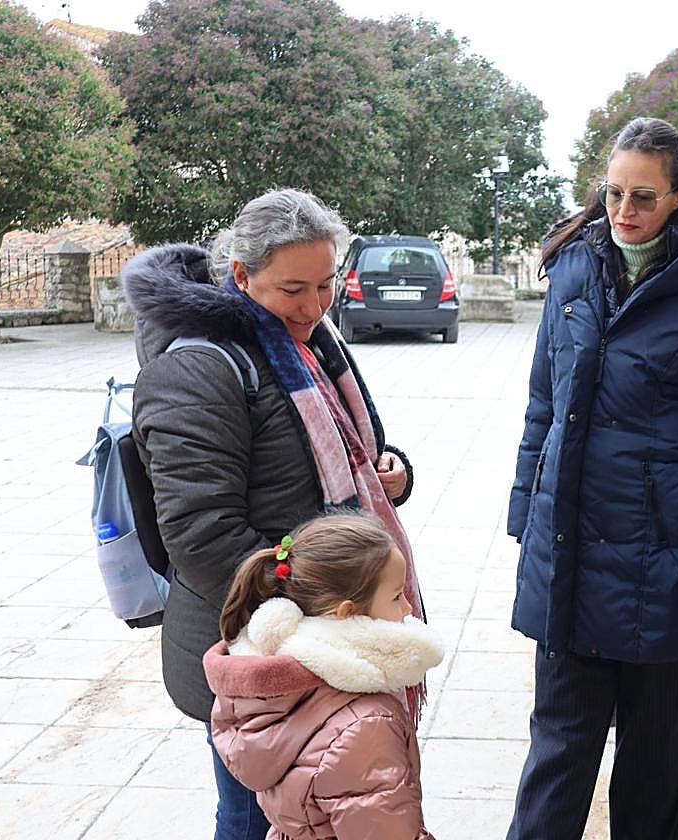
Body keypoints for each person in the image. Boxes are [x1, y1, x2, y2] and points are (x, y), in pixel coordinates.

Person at [124, 188, 425, 840]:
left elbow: (349, 449)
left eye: (326, 285)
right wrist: (320, 607)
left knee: (308, 813)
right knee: (252, 819)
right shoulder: (200, 367)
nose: (314, 306)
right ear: (242, 275)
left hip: (322, 627)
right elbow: (202, 533)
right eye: (294, 289)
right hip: (261, 645)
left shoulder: (308, 343)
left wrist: (391, 471)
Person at [506, 116, 678, 840]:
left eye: (645, 197)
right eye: (614, 192)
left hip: (668, 571)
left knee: (661, 780)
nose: (624, 210)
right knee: (554, 766)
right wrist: (525, 515)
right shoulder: (573, 270)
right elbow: (544, 406)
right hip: (567, 556)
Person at [204, 513, 442, 840]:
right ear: (347, 613)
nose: (408, 609)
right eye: (396, 596)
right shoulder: (365, 725)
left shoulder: (278, 693)